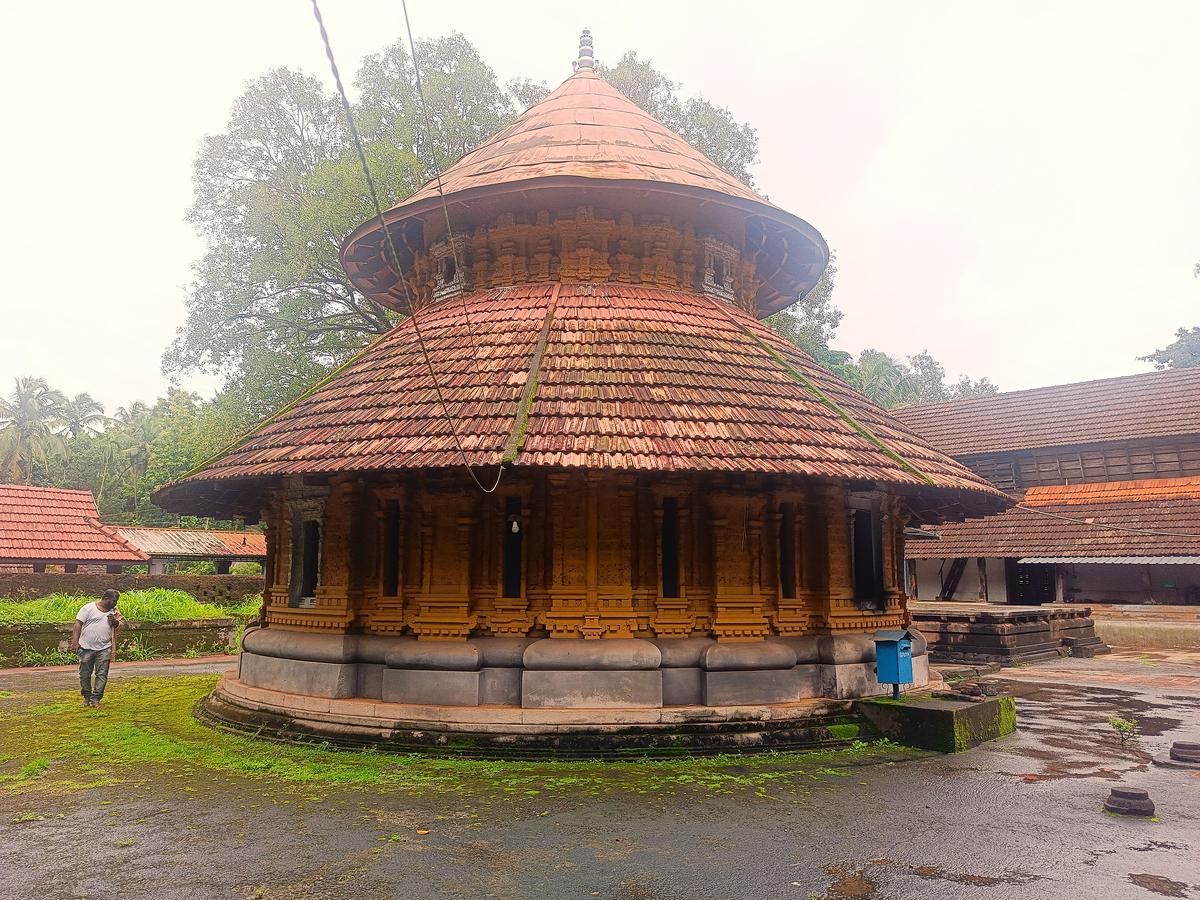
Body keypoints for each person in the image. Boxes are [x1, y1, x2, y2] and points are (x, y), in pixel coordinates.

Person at [69, 589, 124, 708]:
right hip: (86, 647)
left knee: (102, 674)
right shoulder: (88, 608)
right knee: (84, 674)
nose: (115, 604)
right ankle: (87, 697)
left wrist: (114, 621)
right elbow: (78, 624)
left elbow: (120, 625)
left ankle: (96, 698)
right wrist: (75, 642)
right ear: (106, 598)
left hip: (105, 648)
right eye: (114, 601)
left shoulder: (114, 612)